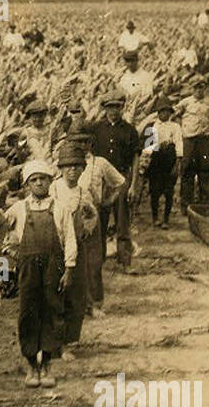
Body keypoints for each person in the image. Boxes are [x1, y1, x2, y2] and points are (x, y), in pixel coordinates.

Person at [4, 160, 77, 389]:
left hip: (52, 267)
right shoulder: (17, 209)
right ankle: (30, 365)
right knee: (28, 312)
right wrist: (6, 264)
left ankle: (46, 363)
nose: (38, 183)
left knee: (51, 310)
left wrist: (69, 268)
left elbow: (70, 239)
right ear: (26, 184)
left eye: (42, 179)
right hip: (27, 268)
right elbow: (3, 236)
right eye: (33, 180)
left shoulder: (60, 208)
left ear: (49, 181)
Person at [75, 132, 124, 315]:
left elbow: (119, 182)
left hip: (92, 215)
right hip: (70, 215)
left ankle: (95, 304)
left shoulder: (99, 163)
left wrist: (108, 201)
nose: (82, 144)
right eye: (77, 141)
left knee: (93, 260)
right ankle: (78, 304)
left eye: (85, 140)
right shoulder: (64, 163)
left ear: (91, 142)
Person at [89, 91, 140, 268]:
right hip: (101, 181)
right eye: (109, 107)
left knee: (122, 221)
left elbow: (136, 157)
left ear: (122, 108)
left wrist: (133, 185)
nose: (113, 111)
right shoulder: (96, 129)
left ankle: (125, 261)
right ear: (104, 109)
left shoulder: (130, 130)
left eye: (117, 107)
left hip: (121, 180)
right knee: (99, 220)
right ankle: (98, 260)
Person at [53, 141, 95, 347]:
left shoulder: (82, 192)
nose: (72, 170)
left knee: (77, 292)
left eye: (77, 166)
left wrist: (88, 226)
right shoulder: (52, 190)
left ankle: (70, 339)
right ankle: (55, 340)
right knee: (55, 294)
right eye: (67, 166)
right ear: (60, 169)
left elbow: (92, 215)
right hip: (54, 249)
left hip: (77, 247)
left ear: (82, 169)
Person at [172, 76, 209, 211]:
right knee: (187, 172)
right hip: (189, 141)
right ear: (191, 88)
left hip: (204, 141)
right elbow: (173, 115)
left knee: (206, 172)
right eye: (195, 87)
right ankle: (186, 205)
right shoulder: (185, 103)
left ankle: (205, 205)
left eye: (201, 87)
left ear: (205, 88)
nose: (198, 90)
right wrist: (180, 128)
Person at [140, 96, 182, 228]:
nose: (165, 114)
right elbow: (148, 148)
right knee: (155, 190)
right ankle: (155, 218)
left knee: (169, 191)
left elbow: (179, 144)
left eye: (168, 111)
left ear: (170, 113)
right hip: (156, 161)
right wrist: (145, 166)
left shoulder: (175, 126)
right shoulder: (152, 126)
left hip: (169, 159)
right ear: (158, 113)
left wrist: (177, 163)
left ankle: (166, 219)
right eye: (162, 111)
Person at [118, 50, 155, 124]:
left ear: (137, 61)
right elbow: (121, 92)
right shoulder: (124, 77)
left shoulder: (145, 76)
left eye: (132, 61)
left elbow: (148, 95)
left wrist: (135, 100)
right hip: (124, 108)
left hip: (139, 110)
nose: (130, 64)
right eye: (128, 62)